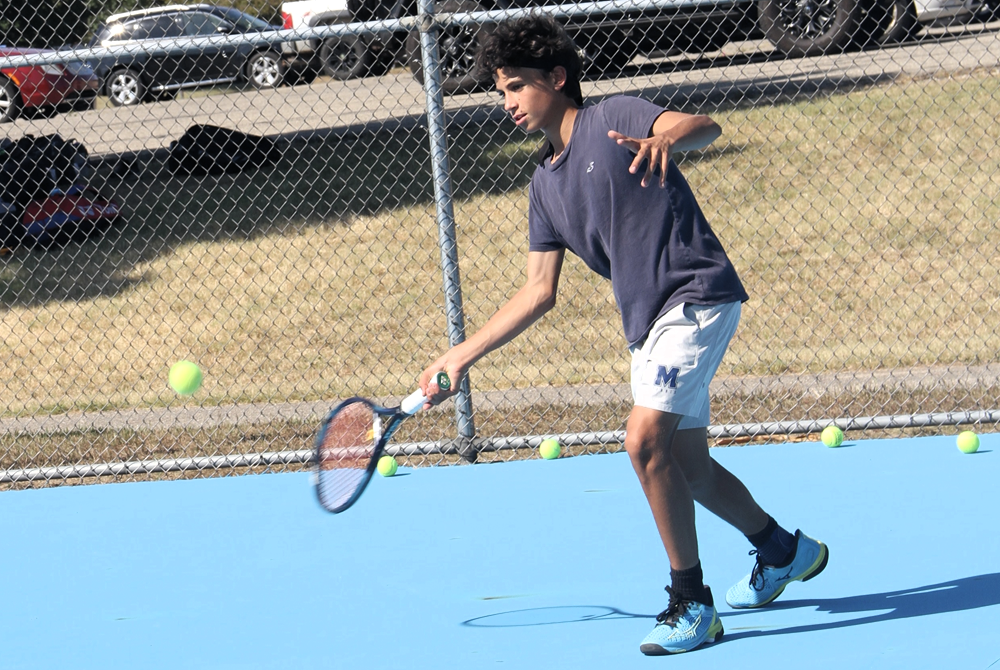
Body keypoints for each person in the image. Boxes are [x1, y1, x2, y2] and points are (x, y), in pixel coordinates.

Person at [418, 14, 828, 655]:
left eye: (517, 87)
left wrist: (671, 139)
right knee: (688, 468)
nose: (508, 104)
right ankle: (782, 550)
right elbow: (537, 292)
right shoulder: (544, 187)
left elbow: (702, 126)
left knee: (642, 442)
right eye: (501, 91)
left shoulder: (616, 117)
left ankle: (691, 603)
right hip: (648, 325)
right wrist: (461, 354)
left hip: (695, 298)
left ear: (557, 79)